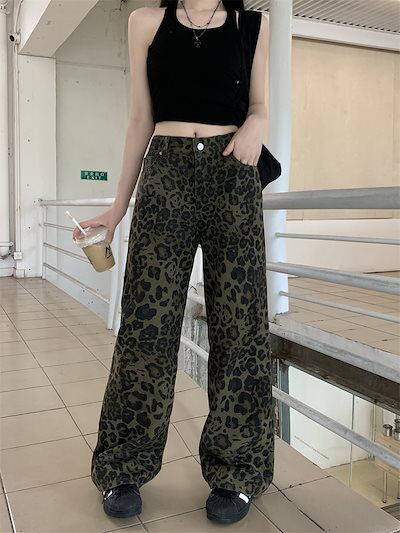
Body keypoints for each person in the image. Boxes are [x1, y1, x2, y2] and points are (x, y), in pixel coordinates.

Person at [73, 0, 274, 525]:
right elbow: (140, 118)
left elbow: (259, 103)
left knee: (241, 327)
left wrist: (257, 122)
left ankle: (238, 472)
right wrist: (118, 207)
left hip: (233, 175)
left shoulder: (252, 24)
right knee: (146, 326)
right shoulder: (145, 22)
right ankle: (122, 466)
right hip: (165, 177)